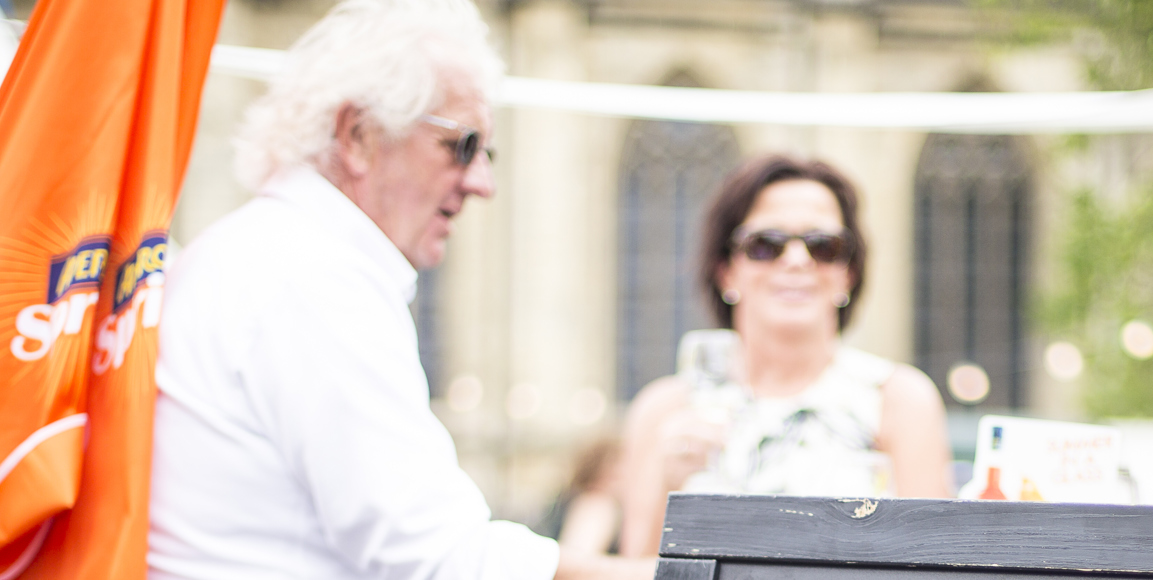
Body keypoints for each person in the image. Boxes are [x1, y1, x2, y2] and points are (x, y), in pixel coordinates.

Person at [146, 1, 649, 578]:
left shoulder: (259, 252)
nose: (482, 183)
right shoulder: (315, 276)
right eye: (461, 146)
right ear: (358, 135)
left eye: (487, 153)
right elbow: (436, 557)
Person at [614, 155, 954, 557]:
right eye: (765, 245)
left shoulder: (899, 401)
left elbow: (934, 566)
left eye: (823, 246)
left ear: (849, 272)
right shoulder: (664, 411)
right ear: (725, 270)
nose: (796, 260)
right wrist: (665, 483)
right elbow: (637, 569)